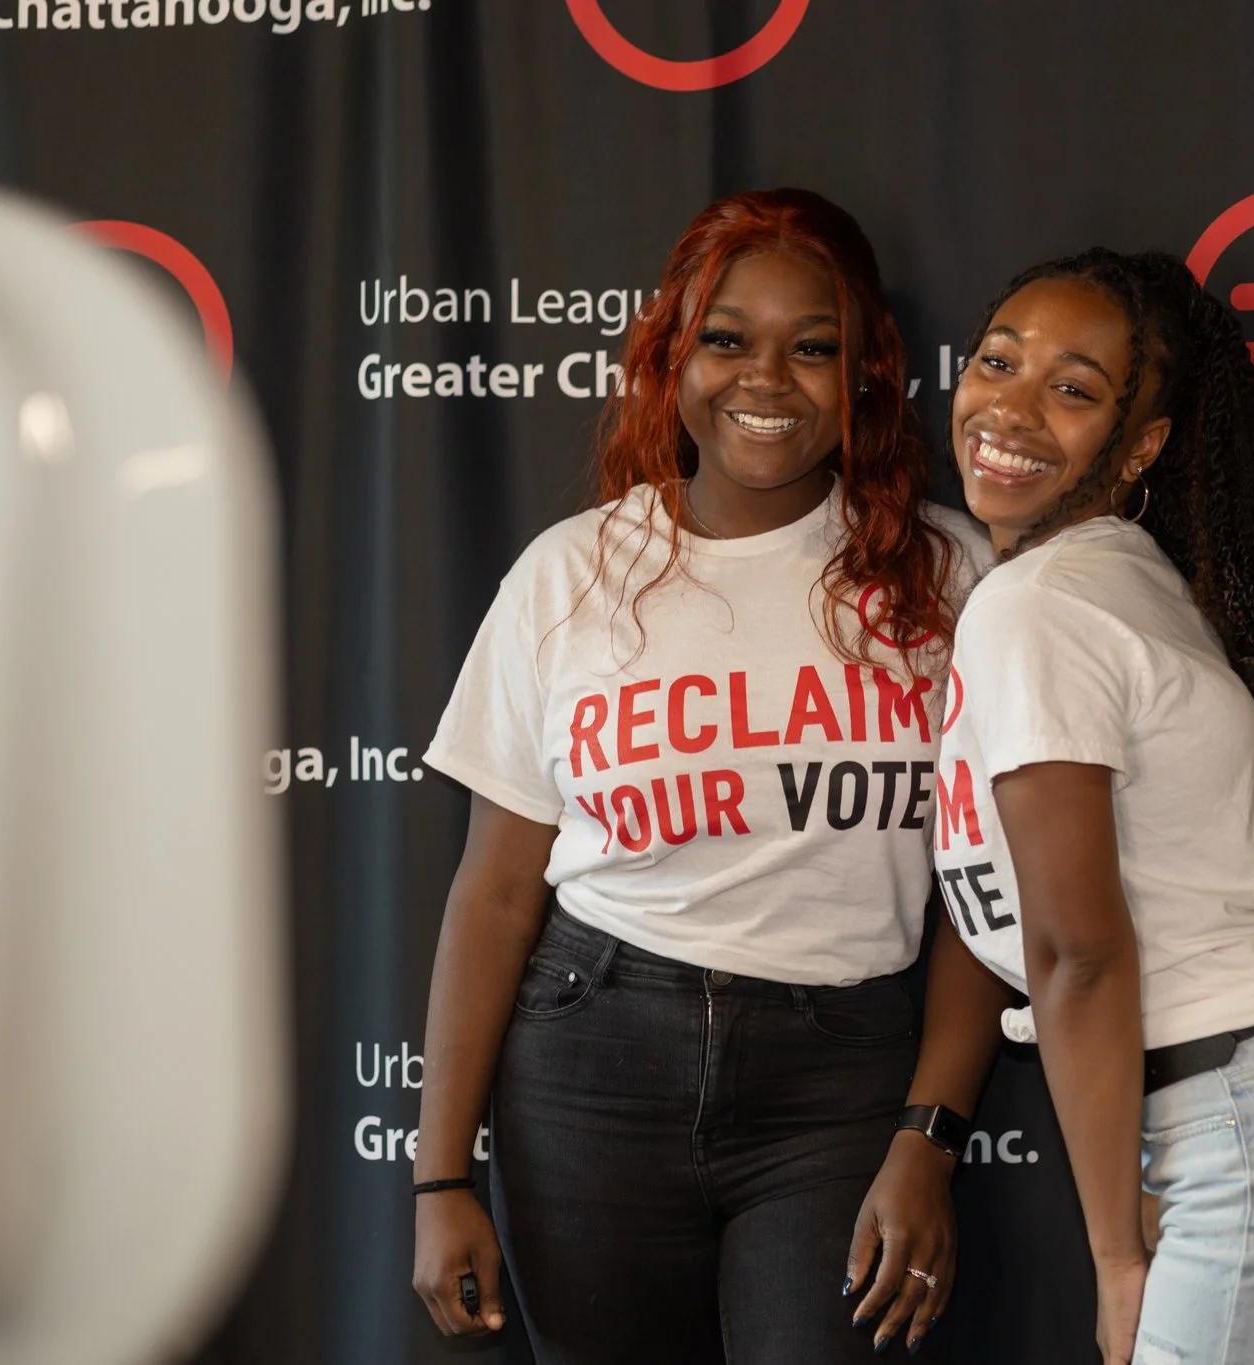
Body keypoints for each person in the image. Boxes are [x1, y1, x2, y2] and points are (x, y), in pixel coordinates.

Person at [408, 187, 991, 1364]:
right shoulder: (568, 576)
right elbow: (495, 893)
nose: (763, 381)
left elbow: (988, 895)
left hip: (839, 1087)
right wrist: (438, 1177)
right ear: (671, 359)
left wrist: (929, 1133)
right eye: (726, 339)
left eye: (810, 347)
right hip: (591, 1063)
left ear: (866, 373)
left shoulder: (950, 579)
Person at [894, 248, 1254, 1364]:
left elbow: (1079, 953)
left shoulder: (1037, 606)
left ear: (1140, 442)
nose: (1007, 408)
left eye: (1070, 388)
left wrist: (1114, 1259)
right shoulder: (1119, 574)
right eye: (997, 362)